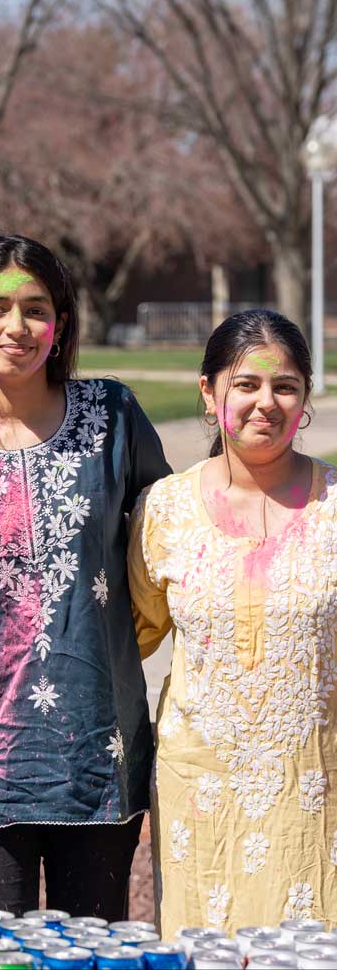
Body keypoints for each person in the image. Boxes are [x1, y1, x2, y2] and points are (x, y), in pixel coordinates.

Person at [0, 231, 170, 919]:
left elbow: (179, 547)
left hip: (97, 753)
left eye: (35, 308)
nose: (16, 327)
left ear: (60, 323)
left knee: (94, 956)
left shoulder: (113, 418)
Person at [130, 309, 337, 935]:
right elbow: (133, 634)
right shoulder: (166, 509)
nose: (265, 403)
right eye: (245, 384)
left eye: (284, 386)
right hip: (201, 793)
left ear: (305, 396)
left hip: (312, 790)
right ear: (209, 390)